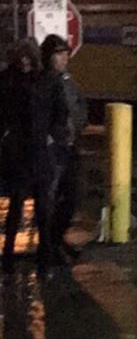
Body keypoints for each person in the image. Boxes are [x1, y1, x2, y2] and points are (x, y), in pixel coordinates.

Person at [39, 34, 87, 264]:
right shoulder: (44, 82)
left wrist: (77, 128)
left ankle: (56, 239)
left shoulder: (68, 81)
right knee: (51, 199)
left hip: (70, 147)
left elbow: (80, 106)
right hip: (52, 150)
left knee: (74, 196)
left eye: (65, 53)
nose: (64, 58)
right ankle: (50, 246)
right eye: (59, 54)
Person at [0, 40, 43, 273]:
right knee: (21, 198)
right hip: (19, 149)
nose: (25, 63)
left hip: (27, 147)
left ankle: (44, 246)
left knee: (37, 199)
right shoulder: (18, 80)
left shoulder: (17, 79)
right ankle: (9, 251)